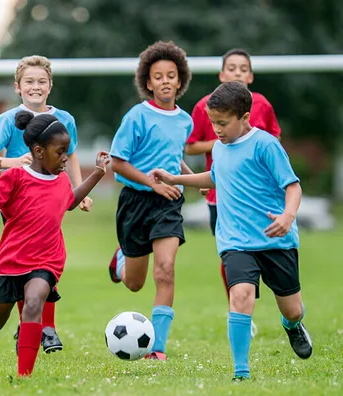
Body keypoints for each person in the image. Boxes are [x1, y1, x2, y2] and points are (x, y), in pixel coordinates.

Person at [150, 81, 312, 380]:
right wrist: (175, 178)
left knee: (293, 310)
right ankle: (241, 372)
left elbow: (293, 185)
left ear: (245, 117)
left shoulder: (266, 145)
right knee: (240, 294)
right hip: (235, 240)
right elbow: (215, 176)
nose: (217, 130)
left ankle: (292, 326)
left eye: (223, 123)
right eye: (213, 123)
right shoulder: (221, 148)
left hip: (275, 239)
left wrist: (288, 216)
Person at [0, 110, 109, 377]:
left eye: (66, 152)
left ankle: (25, 375)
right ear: (38, 151)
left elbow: (70, 201)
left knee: (34, 302)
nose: (65, 159)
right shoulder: (15, 178)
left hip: (46, 261)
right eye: (60, 152)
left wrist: (97, 173)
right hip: (10, 262)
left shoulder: (60, 180)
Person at [0, 55, 92, 353]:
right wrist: (12, 162)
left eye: (42, 81)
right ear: (18, 87)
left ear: (50, 86)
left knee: (46, 256)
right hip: (17, 198)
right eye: (29, 81)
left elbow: (74, 154)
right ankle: (27, 317)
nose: (35, 86)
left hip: (52, 192)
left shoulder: (64, 118)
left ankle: (45, 327)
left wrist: (81, 189)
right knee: (26, 260)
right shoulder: (7, 120)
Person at [185, 48, 281, 338]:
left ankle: (277, 303)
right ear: (222, 75)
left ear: (250, 76)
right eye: (232, 68)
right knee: (232, 253)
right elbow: (190, 146)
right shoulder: (205, 107)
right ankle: (238, 309)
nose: (237, 72)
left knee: (266, 253)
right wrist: (223, 141)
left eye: (243, 68)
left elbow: (273, 140)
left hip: (260, 197)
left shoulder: (262, 105)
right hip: (221, 196)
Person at [108, 41, 193, 361]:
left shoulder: (185, 120)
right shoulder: (136, 117)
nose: (166, 81)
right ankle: (121, 260)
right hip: (135, 202)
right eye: (159, 76)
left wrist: (189, 179)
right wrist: (152, 184)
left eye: (172, 75)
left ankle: (156, 348)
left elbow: (173, 156)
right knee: (133, 283)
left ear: (180, 80)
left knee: (166, 270)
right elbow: (118, 162)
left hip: (168, 203)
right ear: (148, 82)